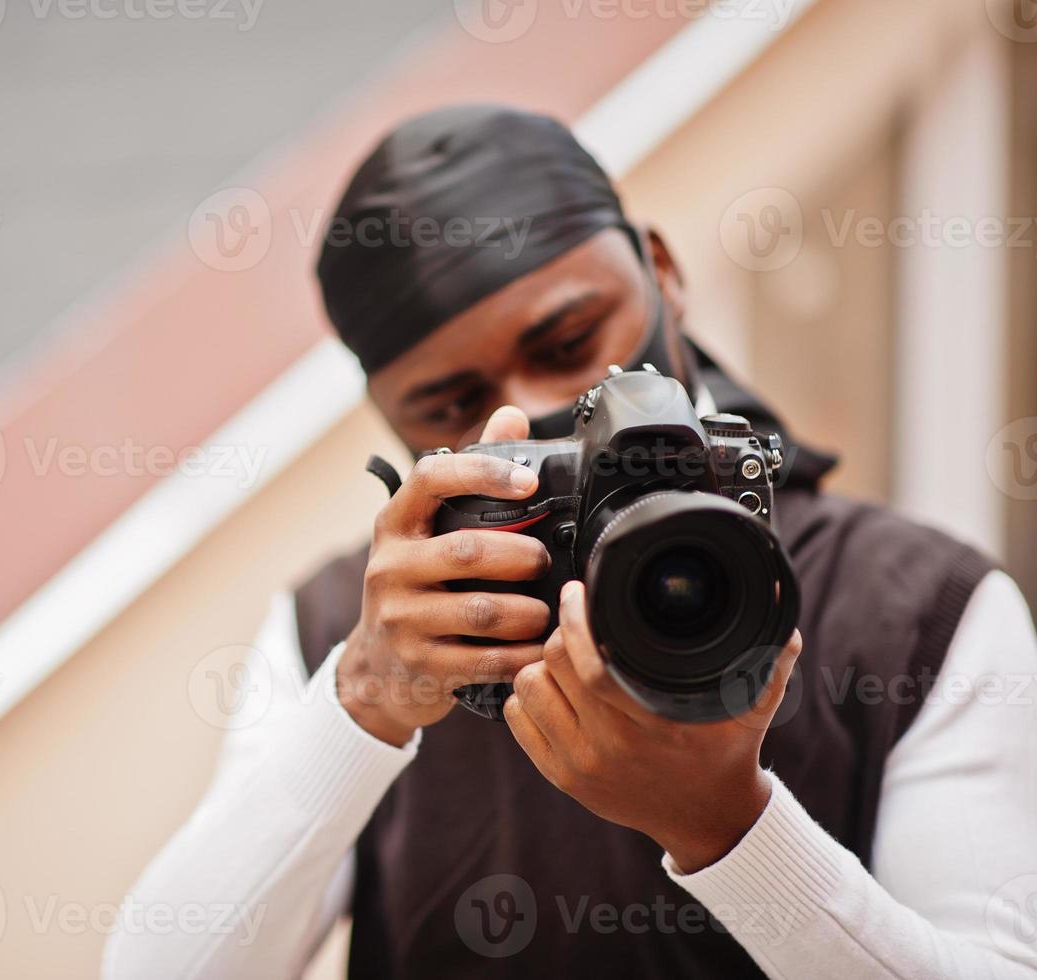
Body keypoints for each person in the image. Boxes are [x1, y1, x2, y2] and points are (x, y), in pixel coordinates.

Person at [103, 106, 1037, 978]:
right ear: (391, 420)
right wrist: (363, 701)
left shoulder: (919, 611)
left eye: (569, 342)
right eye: (452, 405)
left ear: (661, 273)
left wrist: (727, 828)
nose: (524, 413)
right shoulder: (340, 630)